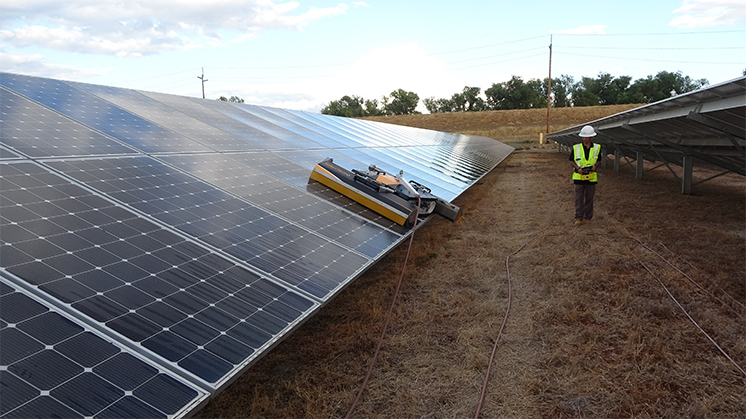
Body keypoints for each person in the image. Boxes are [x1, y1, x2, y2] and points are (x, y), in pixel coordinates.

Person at [569, 125, 601, 226]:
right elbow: (571, 160)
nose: (584, 139)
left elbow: (599, 160)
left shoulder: (597, 148)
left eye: (586, 137)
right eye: (583, 137)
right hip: (579, 177)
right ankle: (578, 218)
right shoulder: (576, 147)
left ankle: (588, 217)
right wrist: (577, 168)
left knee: (589, 198)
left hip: (591, 177)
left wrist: (595, 166)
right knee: (579, 198)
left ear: (591, 137)